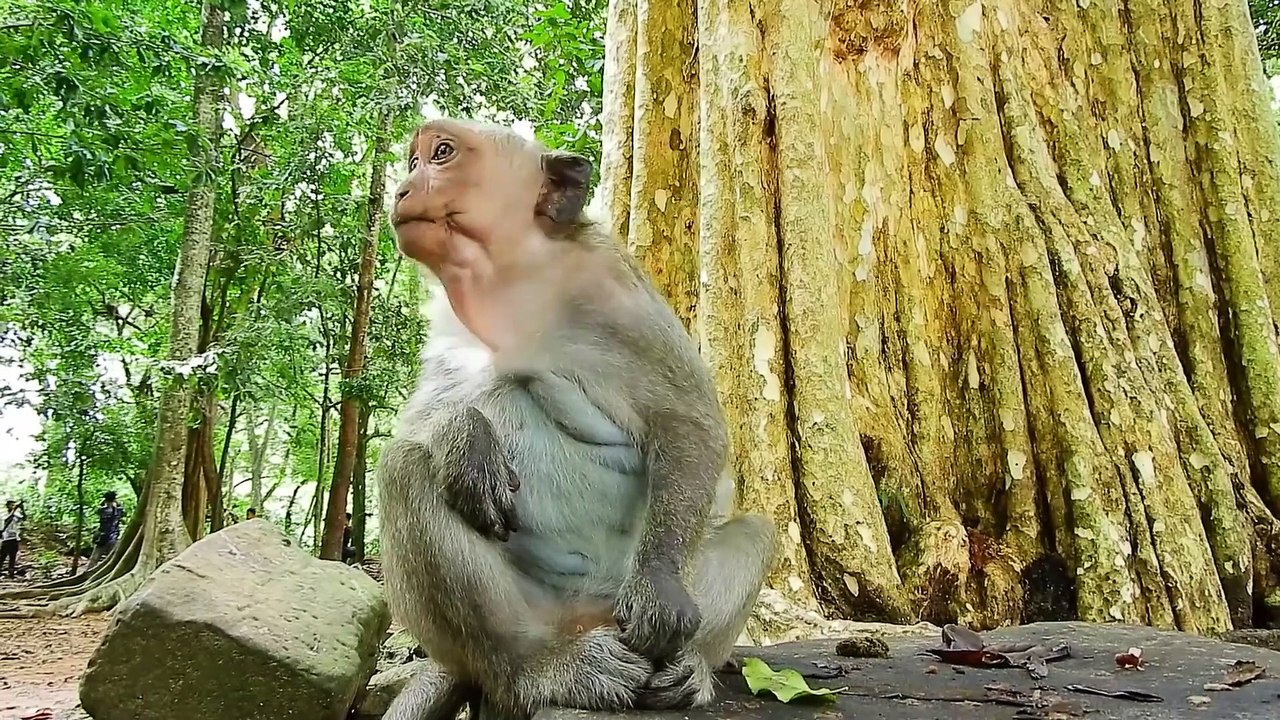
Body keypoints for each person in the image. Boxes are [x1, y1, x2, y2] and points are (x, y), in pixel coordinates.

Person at [85, 491, 125, 571]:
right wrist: (116, 503)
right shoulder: (119, 511)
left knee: (94, 559)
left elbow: (100, 508)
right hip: (113, 536)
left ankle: (89, 572)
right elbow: (122, 511)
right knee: (111, 558)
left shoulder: (102, 510)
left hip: (102, 537)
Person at [1, 500, 24, 578]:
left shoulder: (16, 515)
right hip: (6, 538)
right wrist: (14, 510)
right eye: (11, 505)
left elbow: (23, 518)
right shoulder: (3, 514)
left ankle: (11, 573)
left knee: (12, 557)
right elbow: (7, 520)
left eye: (14, 505)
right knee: (2, 556)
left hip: (15, 538)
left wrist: (22, 509)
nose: (13, 506)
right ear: (7, 506)